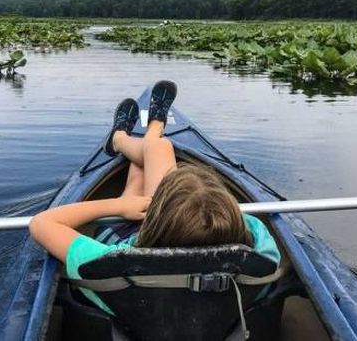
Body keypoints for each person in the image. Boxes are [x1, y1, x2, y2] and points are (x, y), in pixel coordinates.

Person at [29, 80, 280, 314]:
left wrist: (120, 206)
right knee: (155, 155)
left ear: (153, 219)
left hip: (131, 267)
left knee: (146, 165)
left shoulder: (111, 260)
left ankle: (124, 139)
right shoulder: (263, 257)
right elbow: (251, 225)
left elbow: (41, 223)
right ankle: (146, 136)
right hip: (198, 301)